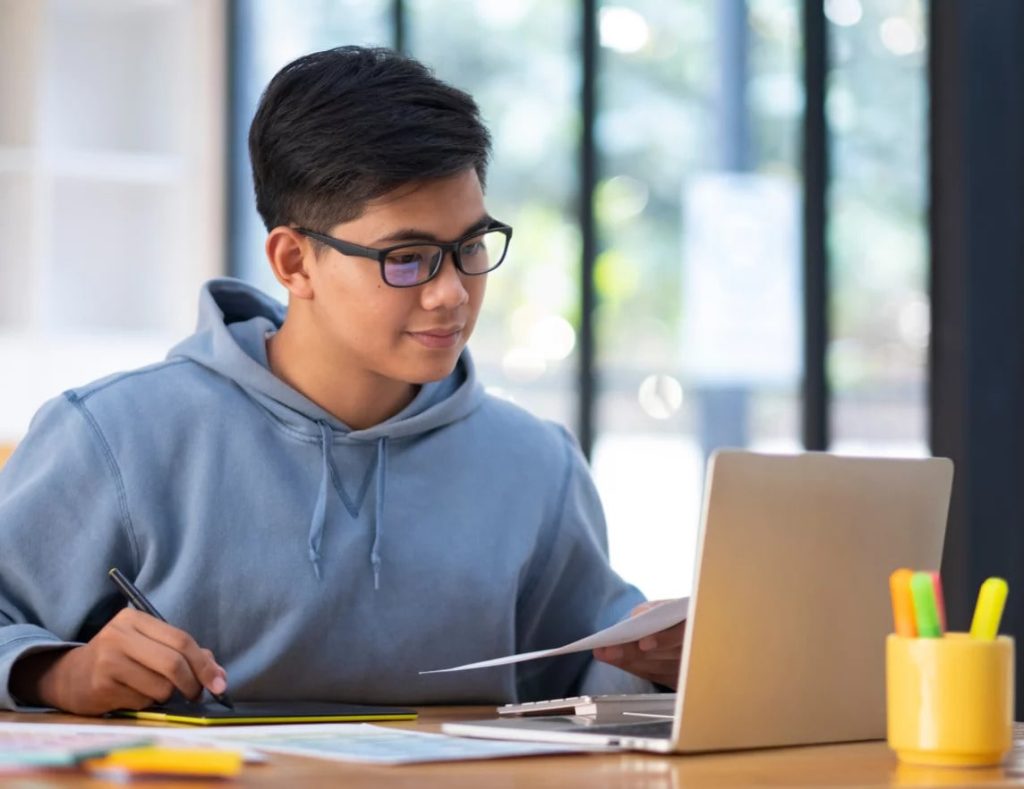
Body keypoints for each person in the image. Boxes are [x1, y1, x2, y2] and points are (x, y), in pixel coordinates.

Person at [0, 46, 683, 716]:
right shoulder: (115, 434)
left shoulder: (536, 463)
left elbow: (581, 678)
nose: (452, 293)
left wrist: (672, 663)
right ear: (294, 261)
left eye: (470, 247)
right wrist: (57, 672)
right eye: (408, 257)